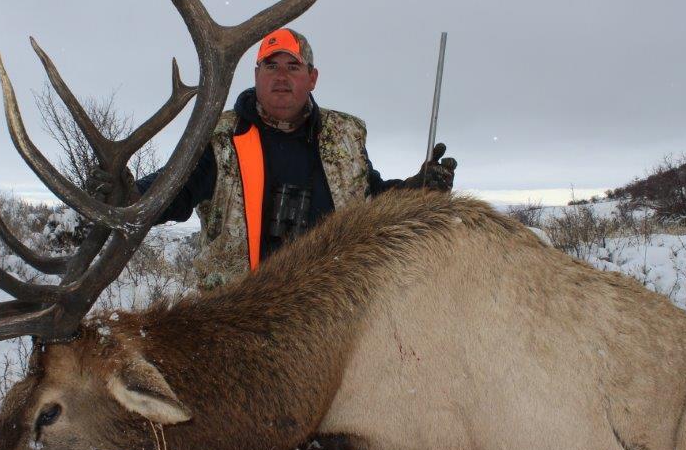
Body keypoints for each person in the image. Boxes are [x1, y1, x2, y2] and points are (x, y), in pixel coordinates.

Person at [92, 28, 457, 288]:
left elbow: (371, 198)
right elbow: (173, 189)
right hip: (241, 315)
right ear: (256, 75)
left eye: (293, 66)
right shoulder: (220, 141)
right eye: (271, 65)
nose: (281, 76)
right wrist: (128, 196)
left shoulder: (344, 138)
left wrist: (414, 189)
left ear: (312, 78)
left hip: (333, 313)